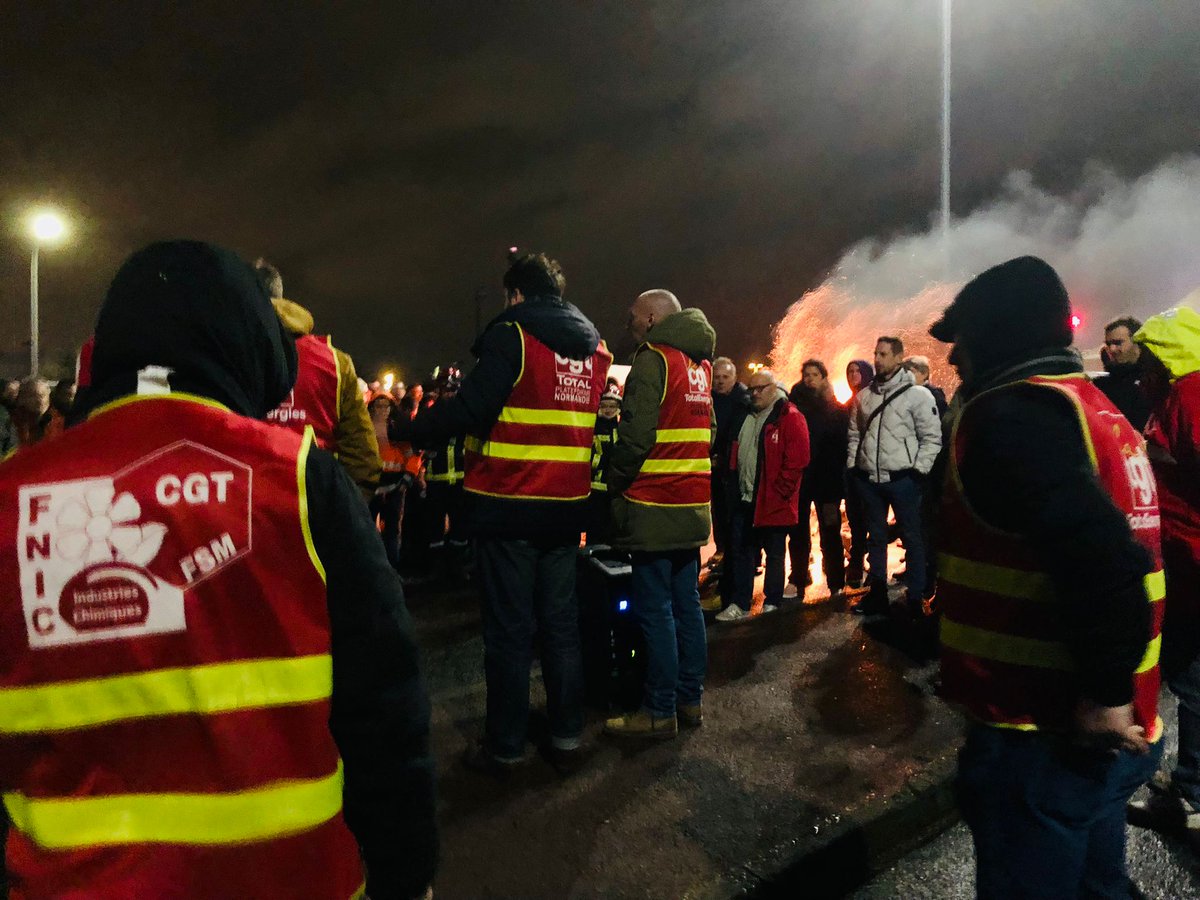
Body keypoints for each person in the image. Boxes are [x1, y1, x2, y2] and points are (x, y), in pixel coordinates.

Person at [0, 241, 436, 899]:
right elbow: (384, 705)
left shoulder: (13, 495)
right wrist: (406, 876)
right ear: (249, 350)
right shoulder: (298, 479)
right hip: (294, 881)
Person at [930, 255, 1163, 899]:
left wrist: (1103, 694)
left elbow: (1108, 561)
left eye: (964, 342)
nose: (955, 361)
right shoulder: (1094, 407)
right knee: (1100, 887)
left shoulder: (1010, 417)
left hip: (1043, 729)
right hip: (1114, 728)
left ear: (1000, 336)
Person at [396, 252, 611, 774]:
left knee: (510, 632)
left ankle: (506, 745)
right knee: (560, 629)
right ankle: (565, 734)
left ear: (515, 294)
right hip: (564, 510)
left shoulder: (511, 335)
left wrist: (402, 431)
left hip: (509, 506)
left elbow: (470, 409)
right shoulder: (595, 350)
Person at [604, 290, 715, 739]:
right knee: (687, 606)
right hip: (692, 506)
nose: (629, 324)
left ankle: (658, 711)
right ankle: (690, 701)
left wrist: (612, 482)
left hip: (653, 505)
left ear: (651, 319)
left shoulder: (653, 359)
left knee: (656, 612)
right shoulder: (701, 365)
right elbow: (708, 431)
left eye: (633, 317)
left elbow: (635, 436)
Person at [1126, 302, 1200, 847]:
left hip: (1193, 561)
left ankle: (1193, 795)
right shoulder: (1174, 397)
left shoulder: (1192, 396)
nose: (1139, 370)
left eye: (1148, 358)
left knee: (1192, 677)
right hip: (1183, 559)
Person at [255, 260, 382, 498]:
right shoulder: (335, 363)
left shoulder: (226, 356)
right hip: (314, 510)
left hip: (245, 514)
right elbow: (363, 459)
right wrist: (342, 514)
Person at [846, 337, 941, 614]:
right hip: (870, 481)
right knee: (875, 538)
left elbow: (932, 438)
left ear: (899, 358)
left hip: (903, 480)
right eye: (876, 353)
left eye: (884, 354)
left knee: (912, 538)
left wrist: (918, 472)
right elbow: (854, 433)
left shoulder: (918, 396)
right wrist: (855, 467)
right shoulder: (865, 396)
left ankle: (915, 598)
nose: (877, 359)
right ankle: (877, 595)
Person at [715, 370, 809, 621]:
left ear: (773, 388)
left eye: (760, 389)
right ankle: (740, 603)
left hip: (772, 499)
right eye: (751, 389)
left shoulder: (789, 416)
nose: (754, 394)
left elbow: (797, 461)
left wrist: (780, 491)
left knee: (775, 553)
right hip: (744, 498)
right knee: (743, 551)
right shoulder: (744, 414)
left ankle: (772, 602)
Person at [787, 360, 848, 599]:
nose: (810, 379)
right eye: (806, 375)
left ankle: (836, 581)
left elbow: (842, 446)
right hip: (802, 481)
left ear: (823, 377)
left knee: (831, 531)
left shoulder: (835, 408)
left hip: (827, 482)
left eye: (815, 374)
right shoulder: (794, 406)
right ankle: (799, 577)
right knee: (798, 532)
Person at [423, 367, 469, 583]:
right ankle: (436, 567)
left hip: (459, 477)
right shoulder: (431, 413)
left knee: (460, 524)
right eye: (447, 391)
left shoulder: (465, 413)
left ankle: (457, 566)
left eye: (453, 391)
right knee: (435, 525)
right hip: (437, 477)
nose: (450, 394)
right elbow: (419, 437)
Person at [842, 359, 874, 587]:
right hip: (852, 472)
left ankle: (874, 564)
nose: (853, 374)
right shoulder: (847, 403)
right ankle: (856, 560)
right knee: (855, 518)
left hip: (870, 470)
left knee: (873, 518)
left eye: (857, 371)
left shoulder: (873, 399)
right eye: (850, 371)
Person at [1096, 315, 1152, 431]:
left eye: (1118, 343)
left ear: (1137, 341)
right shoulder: (1103, 386)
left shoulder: (1155, 380)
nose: (1112, 349)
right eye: (1108, 344)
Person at [585, 384, 622, 545]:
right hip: (595, 488)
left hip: (615, 489)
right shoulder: (593, 427)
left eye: (612, 406)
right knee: (595, 531)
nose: (608, 410)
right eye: (604, 405)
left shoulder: (621, 428)